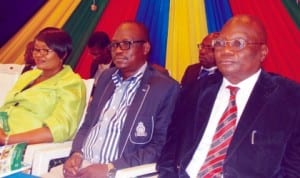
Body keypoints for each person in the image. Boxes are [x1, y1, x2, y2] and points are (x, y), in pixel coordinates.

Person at [157, 14, 300, 178]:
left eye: (238, 43)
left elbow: (294, 170)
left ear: (262, 52)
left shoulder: (290, 99)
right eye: (220, 43)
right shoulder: (194, 91)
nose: (226, 51)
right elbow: (170, 150)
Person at [44, 21, 180, 178]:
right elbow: (88, 124)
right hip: (81, 166)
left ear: (145, 48)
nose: (118, 50)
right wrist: (76, 154)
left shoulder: (164, 88)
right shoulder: (106, 78)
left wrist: (110, 168)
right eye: (114, 45)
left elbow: (159, 146)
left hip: (119, 171)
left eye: (126, 44)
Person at [0, 27, 86, 145]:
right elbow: (6, 107)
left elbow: (60, 128)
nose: (38, 55)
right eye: (36, 50)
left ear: (63, 54)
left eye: (45, 51)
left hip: (20, 145)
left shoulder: (71, 83)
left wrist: (7, 140)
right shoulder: (29, 75)